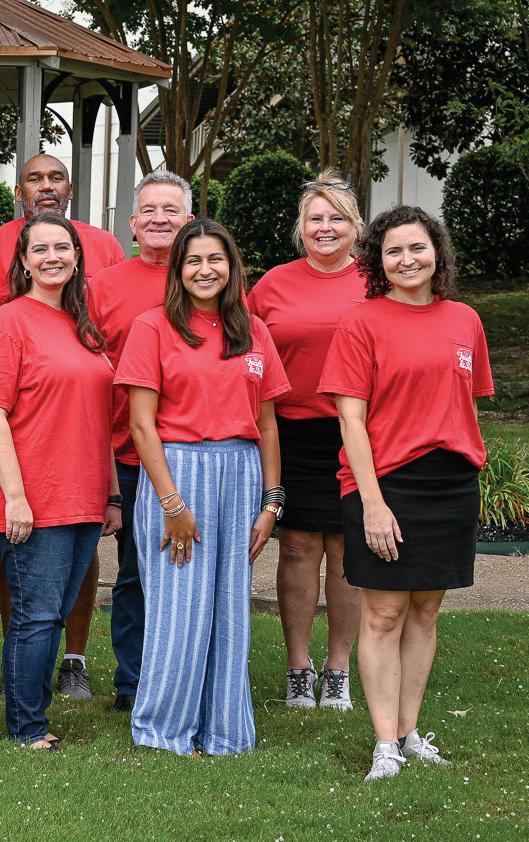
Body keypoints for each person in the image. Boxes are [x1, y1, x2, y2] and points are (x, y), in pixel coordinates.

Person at [320, 207, 490, 781]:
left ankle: (410, 732)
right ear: (378, 261)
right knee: (385, 611)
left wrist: (470, 467)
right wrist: (372, 503)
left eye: (417, 247)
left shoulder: (465, 320)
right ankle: (384, 742)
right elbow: (350, 419)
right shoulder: (361, 323)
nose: (407, 259)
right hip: (385, 481)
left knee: (425, 608)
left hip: (451, 484)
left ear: (437, 252)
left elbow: (466, 404)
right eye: (394, 251)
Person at [113, 218, 286, 757]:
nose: (205, 270)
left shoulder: (253, 330)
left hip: (241, 472)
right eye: (193, 260)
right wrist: (172, 504)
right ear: (178, 270)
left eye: (215, 259)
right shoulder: (152, 327)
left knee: (230, 607)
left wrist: (272, 502)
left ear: (232, 266)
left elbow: (268, 424)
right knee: (179, 609)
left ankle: (225, 731)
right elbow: (141, 425)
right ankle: (165, 730)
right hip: (178, 470)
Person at [0, 215, 121, 750]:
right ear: (24, 261)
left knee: (54, 613)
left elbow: (101, 415)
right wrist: (14, 496)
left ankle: (33, 711)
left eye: (62, 248)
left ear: (77, 258)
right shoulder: (10, 321)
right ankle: (27, 725)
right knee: (35, 615)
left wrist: (111, 494)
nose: (52, 257)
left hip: (85, 493)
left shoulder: (85, 326)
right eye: (40, 249)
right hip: (35, 493)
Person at [247, 171, 368, 711]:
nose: (325, 227)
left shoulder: (376, 280)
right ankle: (299, 667)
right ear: (301, 227)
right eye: (315, 218)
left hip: (357, 431)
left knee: (345, 550)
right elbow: (244, 349)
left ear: (355, 226)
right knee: (297, 547)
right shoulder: (273, 284)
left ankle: (338, 668)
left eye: (336, 218)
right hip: (290, 430)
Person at [88, 171, 197, 712]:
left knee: (186, 569)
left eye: (170, 210)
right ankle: (132, 682)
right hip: (125, 451)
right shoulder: (103, 286)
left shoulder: (208, 278)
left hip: (193, 453)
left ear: (189, 221)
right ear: (131, 224)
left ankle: (184, 672)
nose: (159, 219)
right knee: (134, 571)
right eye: (149, 210)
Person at [0, 154, 129, 304]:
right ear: (19, 193)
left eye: (56, 178)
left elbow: (119, 307)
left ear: (70, 190)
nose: (47, 187)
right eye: (35, 179)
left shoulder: (105, 244)